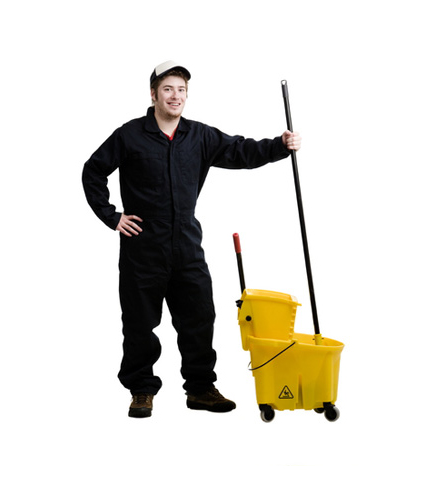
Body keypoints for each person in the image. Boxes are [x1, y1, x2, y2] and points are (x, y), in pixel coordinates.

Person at [82, 61, 301, 418]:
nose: (175, 96)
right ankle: (141, 390)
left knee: (199, 317)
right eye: (168, 89)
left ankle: (200, 389)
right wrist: (112, 216)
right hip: (143, 247)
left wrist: (279, 146)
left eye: (181, 89)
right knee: (139, 323)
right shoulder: (129, 135)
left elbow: (241, 151)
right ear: (153, 94)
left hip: (186, 244)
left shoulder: (199, 136)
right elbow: (93, 171)